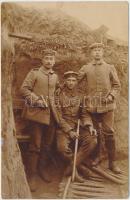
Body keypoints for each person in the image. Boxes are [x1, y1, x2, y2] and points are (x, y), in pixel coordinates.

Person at [78, 43, 121, 174]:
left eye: (99, 50)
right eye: (95, 50)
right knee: (95, 133)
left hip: (107, 106)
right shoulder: (86, 68)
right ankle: (97, 157)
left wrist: (110, 96)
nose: (97, 52)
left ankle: (112, 162)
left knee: (109, 132)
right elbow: (76, 81)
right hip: (92, 107)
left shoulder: (109, 67)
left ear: (103, 53)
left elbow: (117, 85)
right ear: (91, 53)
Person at [20, 49, 59, 191]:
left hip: (51, 117)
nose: (49, 61)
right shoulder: (34, 73)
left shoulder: (55, 76)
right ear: (42, 60)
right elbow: (24, 90)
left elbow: (56, 93)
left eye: (51, 59)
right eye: (47, 58)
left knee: (47, 145)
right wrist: (37, 101)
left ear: (54, 61)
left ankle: (42, 170)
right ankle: (32, 176)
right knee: (35, 146)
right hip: (36, 115)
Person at [55, 71, 97, 180]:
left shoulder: (81, 95)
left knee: (92, 140)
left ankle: (71, 167)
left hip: (78, 125)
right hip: (63, 127)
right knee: (62, 148)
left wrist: (90, 126)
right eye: (68, 80)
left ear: (76, 82)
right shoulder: (58, 95)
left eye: (73, 80)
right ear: (65, 81)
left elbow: (84, 114)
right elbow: (58, 117)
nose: (71, 83)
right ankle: (81, 168)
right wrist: (69, 131)